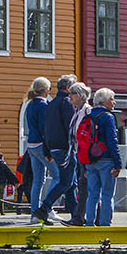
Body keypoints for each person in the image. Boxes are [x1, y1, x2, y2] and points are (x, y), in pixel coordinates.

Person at [78, 88, 121, 226]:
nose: (114, 102)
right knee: (107, 194)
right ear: (103, 101)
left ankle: (90, 222)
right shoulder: (108, 117)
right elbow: (112, 141)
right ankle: (105, 223)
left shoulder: (88, 117)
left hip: (90, 161)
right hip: (106, 159)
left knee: (93, 194)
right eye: (112, 99)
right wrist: (118, 163)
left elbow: (82, 142)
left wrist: (84, 164)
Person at [41, 77, 80, 224]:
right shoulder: (67, 103)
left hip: (54, 147)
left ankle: (76, 215)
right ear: (69, 88)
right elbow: (70, 127)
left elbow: (45, 129)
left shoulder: (50, 104)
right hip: (66, 148)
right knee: (66, 182)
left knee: (71, 183)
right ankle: (44, 208)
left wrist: (47, 150)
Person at [20, 77, 51, 218]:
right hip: (40, 144)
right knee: (58, 177)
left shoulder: (30, 104)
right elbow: (44, 128)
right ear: (45, 90)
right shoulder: (43, 106)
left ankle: (34, 212)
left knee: (38, 180)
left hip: (30, 144)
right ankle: (47, 208)